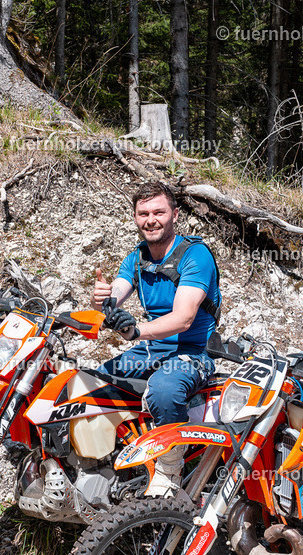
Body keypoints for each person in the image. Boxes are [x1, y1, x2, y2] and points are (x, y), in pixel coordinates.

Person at [91, 180, 221, 496]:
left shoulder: (196, 255)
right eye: (143, 213)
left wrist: (136, 331)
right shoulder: (136, 258)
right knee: (96, 383)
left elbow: (183, 317)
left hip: (193, 351)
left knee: (164, 390)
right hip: (150, 350)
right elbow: (117, 294)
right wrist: (103, 302)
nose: (151, 219)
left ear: (174, 215)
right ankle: (108, 462)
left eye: (159, 212)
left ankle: (170, 471)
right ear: (136, 218)